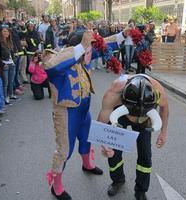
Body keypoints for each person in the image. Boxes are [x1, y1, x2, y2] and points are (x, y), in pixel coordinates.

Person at [44, 28, 130, 200]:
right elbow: (51, 67)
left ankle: (87, 164)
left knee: (86, 139)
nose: (91, 52)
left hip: (84, 111)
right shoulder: (56, 57)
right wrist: (81, 47)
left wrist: (123, 35)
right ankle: (56, 185)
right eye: (87, 48)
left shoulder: (84, 56)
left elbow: (104, 44)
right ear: (78, 46)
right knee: (64, 151)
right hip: (66, 114)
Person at [98, 74, 169, 200]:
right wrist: (105, 145)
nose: (135, 121)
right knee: (114, 151)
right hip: (121, 114)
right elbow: (101, 126)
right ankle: (118, 180)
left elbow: (164, 110)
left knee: (145, 153)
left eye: (138, 118)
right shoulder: (113, 93)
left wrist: (163, 132)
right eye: (134, 117)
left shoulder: (159, 92)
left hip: (146, 117)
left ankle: (141, 189)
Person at [0, 24, 18, 104]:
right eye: (4, 31)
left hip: (11, 64)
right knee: (5, 83)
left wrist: (13, 60)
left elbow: (12, 53)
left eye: (7, 31)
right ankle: (5, 97)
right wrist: (2, 63)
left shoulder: (10, 41)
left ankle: (11, 94)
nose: (6, 33)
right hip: (5, 64)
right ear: (1, 32)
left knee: (11, 81)